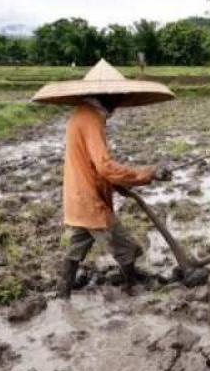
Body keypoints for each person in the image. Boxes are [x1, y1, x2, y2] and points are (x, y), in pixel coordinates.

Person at [58, 94, 170, 298]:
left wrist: (119, 185)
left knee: (75, 249)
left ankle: (62, 296)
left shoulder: (81, 115)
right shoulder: (90, 119)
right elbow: (104, 166)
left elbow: (92, 164)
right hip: (90, 200)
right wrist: (147, 172)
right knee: (126, 248)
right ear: (106, 96)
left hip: (79, 196)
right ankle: (132, 288)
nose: (118, 105)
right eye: (117, 99)